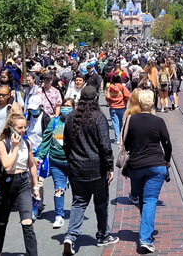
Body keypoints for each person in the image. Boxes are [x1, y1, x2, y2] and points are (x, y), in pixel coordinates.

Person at [62, 86, 118, 255]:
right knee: (100, 204)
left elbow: (66, 144)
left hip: (77, 168)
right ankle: (102, 235)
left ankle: (70, 237)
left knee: (79, 202)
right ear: (95, 99)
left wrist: (72, 160)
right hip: (97, 169)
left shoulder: (71, 117)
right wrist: (109, 166)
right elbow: (105, 145)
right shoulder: (98, 118)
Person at [124, 89, 172, 254]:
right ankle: (145, 239)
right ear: (152, 103)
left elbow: (126, 143)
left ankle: (145, 229)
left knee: (143, 199)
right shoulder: (158, 121)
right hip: (155, 165)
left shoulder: (131, 120)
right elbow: (167, 143)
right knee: (149, 200)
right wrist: (167, 159)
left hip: (136, 166)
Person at [0, 113, 41, 256]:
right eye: (20, 128)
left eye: (24, 127)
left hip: (23, 183)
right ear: (11, 128)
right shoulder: (3, 143)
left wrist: (36, 186)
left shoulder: (27, 143)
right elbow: (7, 166)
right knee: (2, 221)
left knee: (27, 222)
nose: (23, 130)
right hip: (7, 184)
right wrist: (14, 147)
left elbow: (31, 165)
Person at [36, 97, 73, 229]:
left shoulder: (77, 123)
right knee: (59, 189)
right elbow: (46, 140)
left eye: (69, 106)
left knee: (78, 191)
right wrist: (40, 156)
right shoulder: (55, 122)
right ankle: (59, 216)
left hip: (73, 163)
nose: (66, 108)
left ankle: (76, 214)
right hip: (56, 162)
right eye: (64, 105)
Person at [106, 74, 130, 141]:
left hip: (113, 107)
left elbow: (107, 97)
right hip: (122, 106)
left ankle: (117, 138)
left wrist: (111, 100)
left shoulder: (110, 87)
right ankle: (122, 137)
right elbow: (127, 95)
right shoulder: (122, 87)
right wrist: (124, 101)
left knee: (115, 123)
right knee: (122, 123)